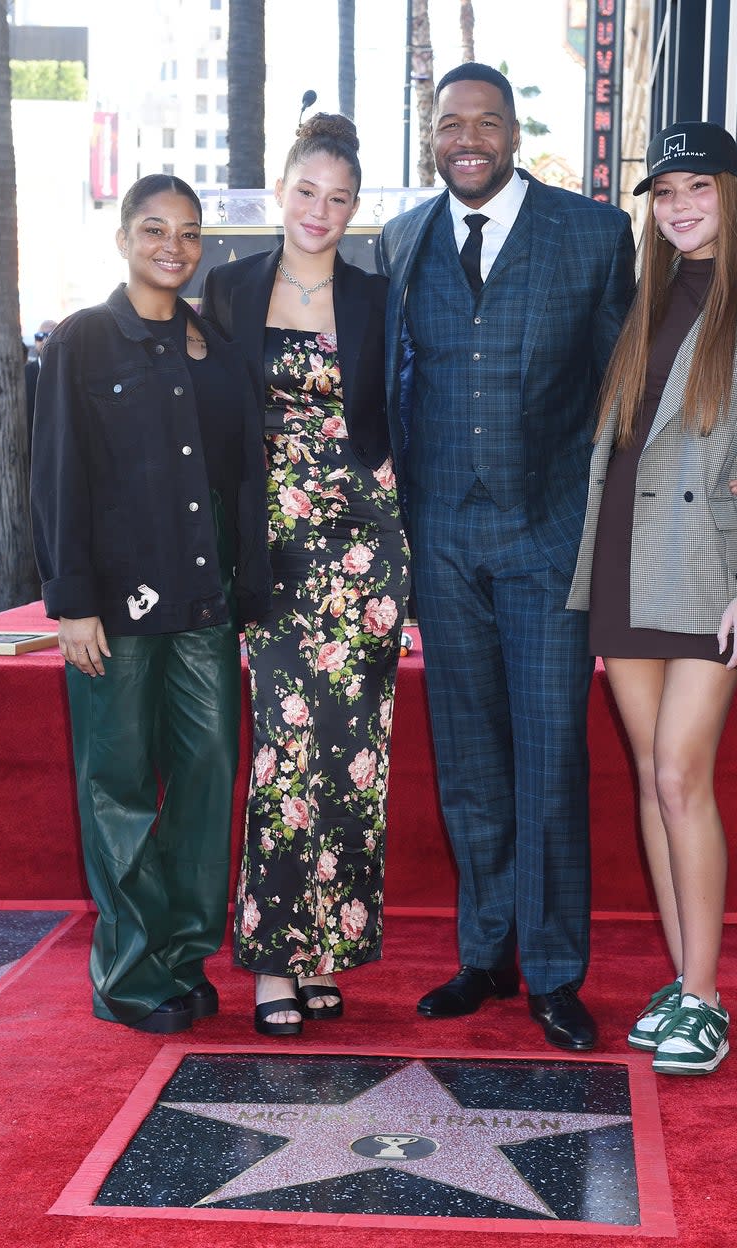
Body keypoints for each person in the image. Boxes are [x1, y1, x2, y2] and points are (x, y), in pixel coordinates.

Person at [377, 63, 635, 1051]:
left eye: (485, 122)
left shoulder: (593, 234)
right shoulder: (401, 241)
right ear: (432, 136)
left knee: (550, 759)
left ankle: (555, 973)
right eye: (450, 124)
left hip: (549, 538)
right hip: (440, 540)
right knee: (470, 762)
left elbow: (627, 390)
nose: (467, 138)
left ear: (516, 132)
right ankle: (484, 954)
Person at [567, 122, 737, 1074]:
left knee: (681, 773)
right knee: (648, 774)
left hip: (712, 569)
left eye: (698, 190)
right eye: (664, 193)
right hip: (626, 555)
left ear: (734, 192)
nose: (679, 207)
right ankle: (683, 981)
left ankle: (707, 1001)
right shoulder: (645, 292)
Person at [30, 174, 268, 1034]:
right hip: (116, 610)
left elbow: (242, 473)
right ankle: (130, 974)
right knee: (118, 786)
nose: (174, 245)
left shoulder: (212, 341)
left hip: (206, 600)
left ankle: (181, 953)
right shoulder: (84, 341)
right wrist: (72, 602)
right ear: (124, 236)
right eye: (155, 229)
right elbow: (57, 475)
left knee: (208, 775)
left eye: (190, 232)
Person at [202, 114, 409, 1037]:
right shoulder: (231, 289)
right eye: (306, 191)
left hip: (365, 551)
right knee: (287, 755)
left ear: (354, 208)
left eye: (338, 198)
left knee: (354, 758)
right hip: (276, 550)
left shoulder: (379, 297)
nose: (319, 210)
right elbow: (210, 427)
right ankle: (272, 962)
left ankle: (327, 953)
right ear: (281, 191)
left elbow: (408, 410)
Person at [24, 318, 57, 450]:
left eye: (49, 335)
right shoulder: (23, 374)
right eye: (39, 336)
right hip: (31, 449)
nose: (44, 340)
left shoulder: (72, 373)